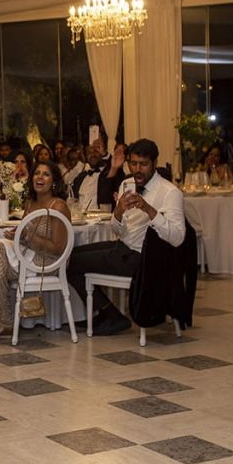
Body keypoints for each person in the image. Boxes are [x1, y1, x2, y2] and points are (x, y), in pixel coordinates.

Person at [67, 139, 185, 335]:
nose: (137, 169)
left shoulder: (170, 192)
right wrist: (119, 211)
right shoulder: (126, 184)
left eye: (143, 164)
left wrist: (149, 210)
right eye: (133, 163)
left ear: (154, 164)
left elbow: (177, 238)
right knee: (68, 256)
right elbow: (118, 230)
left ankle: (111, 316)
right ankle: (107, 313)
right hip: (122, 247)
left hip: (145, 259)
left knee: (71, 262)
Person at [0, 160, 71, 338]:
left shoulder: (59, 206)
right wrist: (17, 234)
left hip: (49, 261)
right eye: (37, 173)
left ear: (54, 181)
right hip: (30, 255)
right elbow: (25, 233)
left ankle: (0, 318)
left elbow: (58, 248)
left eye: (46, 174)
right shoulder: (30, 203)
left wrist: (27, 237)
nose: (40, 177)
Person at [71, 135, 124, 212]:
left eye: (96, 151)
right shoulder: (80, 178)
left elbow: (115, 170)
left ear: (102, 153)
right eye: (89, 152)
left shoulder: (109, 173)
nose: (92, 155)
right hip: (80, 219)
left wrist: (106, 154)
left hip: (100, 221)